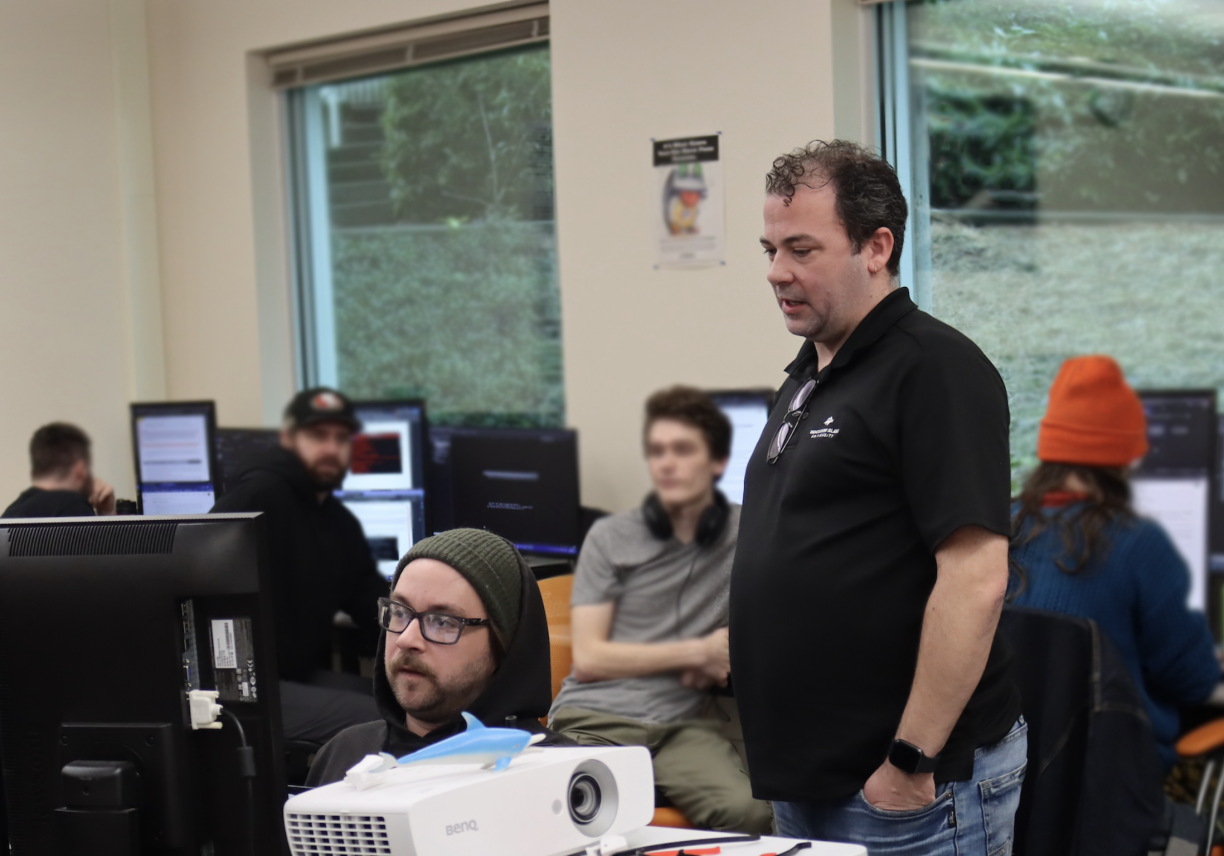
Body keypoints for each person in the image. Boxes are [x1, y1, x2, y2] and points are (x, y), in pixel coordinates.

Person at [730, 140, 1024, 855]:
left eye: (802, 249)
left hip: (904, 790)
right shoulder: (808, 374)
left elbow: (976, 580)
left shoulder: (934, 369)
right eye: (769, 248)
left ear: (876, 246)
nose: (777, 272)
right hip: (807, 780)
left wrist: (909, 763)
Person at [548, 387, 771, 834]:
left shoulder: (753, 534)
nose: (669, 463)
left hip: (681, 726)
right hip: (595, 717)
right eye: (659, 451)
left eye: (684, 450)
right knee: (565, 814)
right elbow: (591, 659)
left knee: (751, 816)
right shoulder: (610, 538)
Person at [1009, 355, 1219, 769]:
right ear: (1125, 458)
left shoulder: (1002, 525)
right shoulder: (1138, 543)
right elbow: (1194, 682)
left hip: (1009, 776)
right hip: (1114, 784)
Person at [306, 528, 570, 784]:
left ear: (504, 644)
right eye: (399, 612)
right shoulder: (343, 755)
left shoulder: (560, 776)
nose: (407, 639)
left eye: (442, 621)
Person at [210, 387, 384, 743]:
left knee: (401, 700)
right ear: (289, 439)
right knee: (382, 718)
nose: (330, 449)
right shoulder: (259, 495)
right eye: (317, 436)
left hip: (294, 675)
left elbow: (368, 596)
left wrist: (420, 619)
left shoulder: (336, 521)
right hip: (240, 688)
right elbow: (201, 575)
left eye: (340, 438)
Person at [3, 422, 115, 518]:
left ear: (34, 472)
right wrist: (108, 512)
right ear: (80, 470)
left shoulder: (10, 513)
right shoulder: (72, 505)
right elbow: (106, 544)